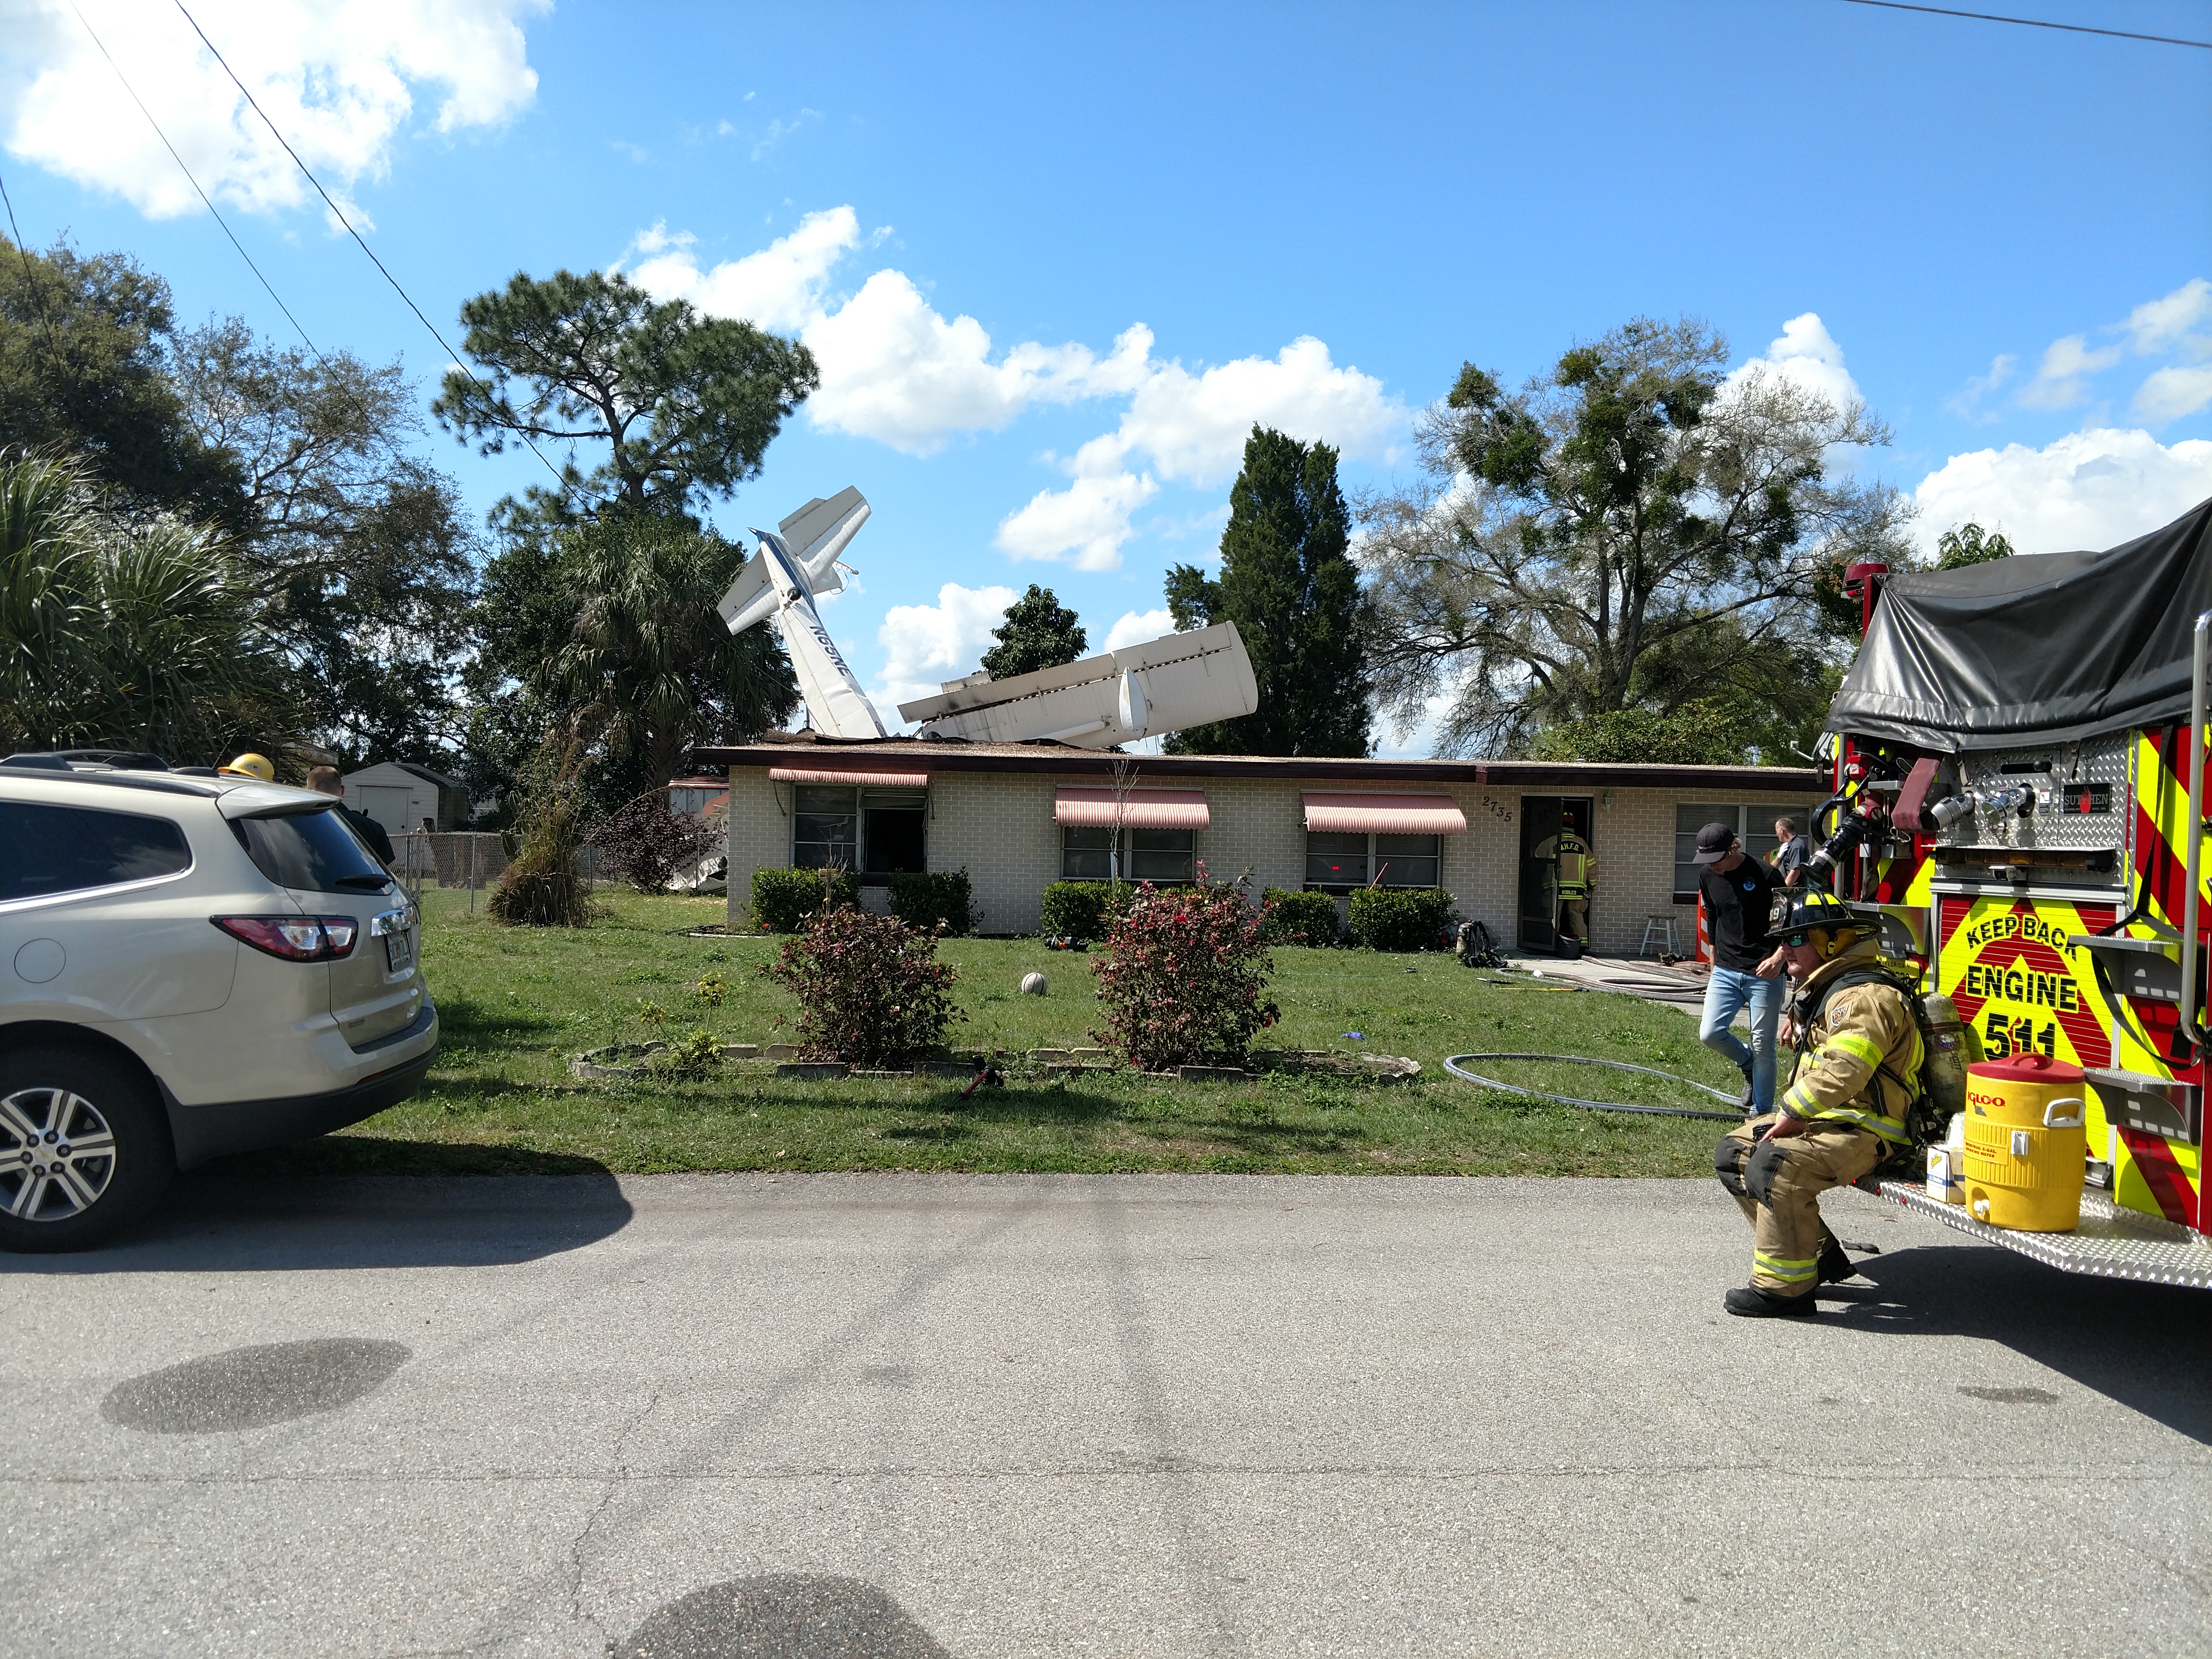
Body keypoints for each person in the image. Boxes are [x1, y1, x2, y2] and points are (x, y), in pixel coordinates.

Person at [1712, 890, 1921, 1318]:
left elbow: (1846, 1070)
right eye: (1783, 940)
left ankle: (1785, 1290)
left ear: (1831, 942)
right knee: (1733, 1153)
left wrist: (1791, 1112)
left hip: (1871, 1129)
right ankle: (1816, 1258)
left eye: (1795, 940)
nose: (1784, 949)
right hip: (1833, 1121)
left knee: (1775, 1165)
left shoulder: (1865, 998)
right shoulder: (1834, 990)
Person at [1691, 822, 1786, 1112]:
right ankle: (1747, 1065)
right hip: (1726, 970)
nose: (1713, 867)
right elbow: (1713, 914)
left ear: (1734, 847)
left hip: (1765, 972)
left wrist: (1779, 959)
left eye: (1716, 859)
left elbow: (1790, 923)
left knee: (1763, 1046)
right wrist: (1713, 958)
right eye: (1706, 861)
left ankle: (1760, 1113)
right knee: (1710, 1033)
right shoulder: (1707, 875)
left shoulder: (1767, 875)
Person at [305, 764, 394, 863]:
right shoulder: (374, 829)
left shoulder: (298, 826)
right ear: (343, 790)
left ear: (309, 793)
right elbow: (387, 874)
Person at [1532, 810, 1594, 951]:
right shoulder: (1582, 844)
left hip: (1556, 887)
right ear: (1573, 826)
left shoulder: (1551, 841)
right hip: (1577, 890)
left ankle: (1551, 945)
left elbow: (1536, 858)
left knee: (1554, 917)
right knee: (1577, 916)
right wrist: (1592, 886)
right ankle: (1582, 946)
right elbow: (1591, 867)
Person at [1773, 816, 1810, 887]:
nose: (1777, 834)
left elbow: (1795, 872)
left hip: (1794, 892)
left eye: (1776, 831)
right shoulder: (1788, 846)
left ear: (1782, 830)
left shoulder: (1797, 846)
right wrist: (1779, 857)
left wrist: (1785, 890)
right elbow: (1771, 868)